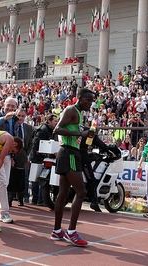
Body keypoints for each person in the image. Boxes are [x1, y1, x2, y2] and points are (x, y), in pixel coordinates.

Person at [50, 88, 95, 247]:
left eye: (92, 100)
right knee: (81, 191)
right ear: (80, 98)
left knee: (63, 193)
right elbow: (57, 130)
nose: (90, 103)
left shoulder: (78, 114)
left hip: (68, 152)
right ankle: (71, 232)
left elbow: (70, 130)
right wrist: (80, 135)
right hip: (69, 153)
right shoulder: (71, 110)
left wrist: (85, 134)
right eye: (88, 100)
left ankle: (57, 231)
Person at [0, 97, 18, 223]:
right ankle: (4, 212)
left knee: (3, 183)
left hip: (8, 155)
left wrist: (12, 157)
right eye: (8, 105)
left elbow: (15, 140)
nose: (10, 108)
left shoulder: (15, 120)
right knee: (2, 183)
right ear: (3, 105)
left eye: (13, 106)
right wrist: (4, 118)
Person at [29, 114, 59, 205]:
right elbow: (36, 143)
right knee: (38, 178)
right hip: (38, 158)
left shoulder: (49, 130)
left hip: (41, 157)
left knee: (39, 178)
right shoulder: (43, 130)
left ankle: (37, 199)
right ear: (49, 121)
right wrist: (39, 153)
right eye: (55, 121)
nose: (56, 123)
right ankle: (38, 199)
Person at [8, 109, 34, 207]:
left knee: (23, 177)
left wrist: (27, 152)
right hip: (11, 153)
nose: (20, 118)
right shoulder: (11, 126)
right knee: (11, 176)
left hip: (23, 154)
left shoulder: (29, 128)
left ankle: (22, 198)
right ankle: (9, 199)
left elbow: (31, 142)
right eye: (19, 115)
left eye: (23, 116)